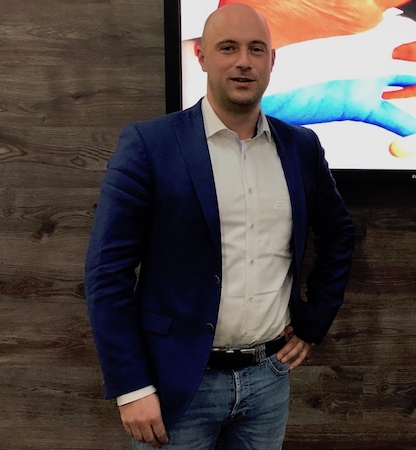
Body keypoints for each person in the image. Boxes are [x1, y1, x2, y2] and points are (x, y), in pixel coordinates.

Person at [84, 4, 354, 448]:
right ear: (202, 56)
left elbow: (339, 233)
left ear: (272, 60)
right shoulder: (150, 145)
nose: (244, 61)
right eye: (228, 48)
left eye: (256, 49)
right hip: (175, 385)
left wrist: (314, 321)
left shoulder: (301, 147)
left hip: (268, 380)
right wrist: (131, 385)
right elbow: (106, 274)